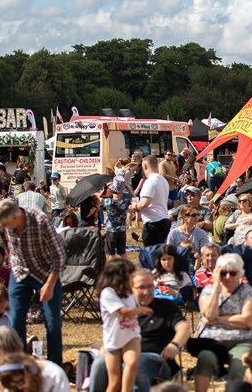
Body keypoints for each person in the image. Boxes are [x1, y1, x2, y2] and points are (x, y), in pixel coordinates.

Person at [0, 200, 66, 365]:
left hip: (45, 272)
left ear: (16, 216)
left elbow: (59, 256)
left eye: (6, 225)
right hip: (20, 271)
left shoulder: (40, 220)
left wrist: (49, 285)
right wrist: (14, 260)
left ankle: (55, 366)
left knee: (53, 323)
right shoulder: (1, 225)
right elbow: (5, 245)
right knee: (15, 320)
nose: (5, 228)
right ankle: (20, 364)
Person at [193, 253, 252, 392]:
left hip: (242, 340)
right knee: (205, 358)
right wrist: (216, 290)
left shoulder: (247, 291)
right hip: (213, 341)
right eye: (223, 273)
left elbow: (247, 320)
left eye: (232, 273)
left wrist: (218, 319)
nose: (228, 277)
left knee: (238, 365)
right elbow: (208, 315)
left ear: (240, 273)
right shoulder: (208, 291)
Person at [96, 259, 143, 392]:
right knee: (115, 382)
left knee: (132, 363)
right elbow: (124, 312)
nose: (133, 278)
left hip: (131, 336)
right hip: (113, 340)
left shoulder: (130, 292)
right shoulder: (108, 293)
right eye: (131, 275)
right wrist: (141, 310)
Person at [130, 155, 171, 246]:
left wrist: (135, 206)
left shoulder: (150, 181)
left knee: (151, 252)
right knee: (161, 252)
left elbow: (144, 203)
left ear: (145, 166)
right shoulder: (163, 180)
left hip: (153, 222)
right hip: (164, 219)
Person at [102, 180, 131, 256]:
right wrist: (127, 187)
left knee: (110, 255)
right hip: (122, 230)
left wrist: (105, 188)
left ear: (112, 190)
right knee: (123, 254)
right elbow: (133, 197)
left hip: (111, 231)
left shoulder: (107, 201)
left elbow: (99, 197)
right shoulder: (125, 201)